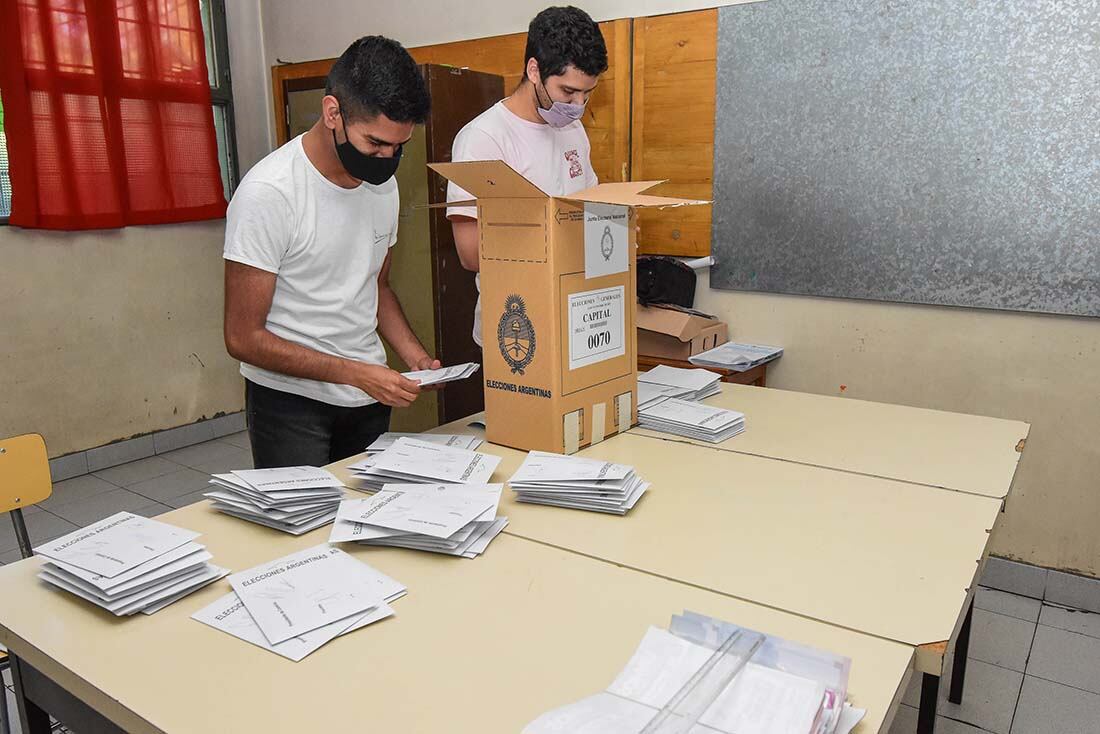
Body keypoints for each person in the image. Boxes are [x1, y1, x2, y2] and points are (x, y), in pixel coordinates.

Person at [223, 35, 438, 469]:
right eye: (375, 143)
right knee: (302, 532)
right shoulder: (271, 193)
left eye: (400, 147)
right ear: (333, 113)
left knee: (366, 521)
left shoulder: (384, 188)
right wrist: (354, 372)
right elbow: (242, 337)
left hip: (366, 396)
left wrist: (414, 356)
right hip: (290, 404)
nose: (388, 157)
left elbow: (375, 285)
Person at [447, 6, 608, 347]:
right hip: (515, 328)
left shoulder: (573, 130)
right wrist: (569, 236)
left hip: (577, 319)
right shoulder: (485, 138)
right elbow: (470, 253)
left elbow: (592, 208)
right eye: (567, 92)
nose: (578, 105)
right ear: (534, 70)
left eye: (587, 93)